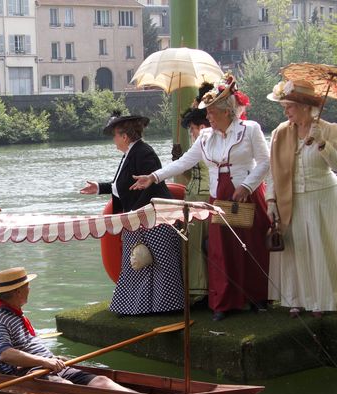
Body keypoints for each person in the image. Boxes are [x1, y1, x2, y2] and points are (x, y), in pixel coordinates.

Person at [131, 74, 271, 321]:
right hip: (219, 198)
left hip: (245, 195)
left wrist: (248, 185)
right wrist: (154, 176)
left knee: (251, 246)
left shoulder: (250, 130)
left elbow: (265, 162)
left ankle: (256, 297)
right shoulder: (206, 137)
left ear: (227, 112)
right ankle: (224, 302)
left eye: (212, 113)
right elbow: (185, 162)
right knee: (221, 249)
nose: (207, 118)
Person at [265, 79, 337, 318]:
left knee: (321, 247)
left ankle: (322, 299)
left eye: (289, 106)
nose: (285, 111)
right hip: (292, 198)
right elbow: (272, 169)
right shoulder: (280, 132)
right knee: (296, 247)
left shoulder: (330, 129)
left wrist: (322, 142)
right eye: (285, 107)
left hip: (322, 197)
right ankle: (296, 299)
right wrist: (270, 200)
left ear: (304, 106)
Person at [79, 112, 184, 315]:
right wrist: (99, 188)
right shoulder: (131, 153)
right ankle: (134, 306)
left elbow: (150, 185)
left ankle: (168, 306)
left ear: (124, 137)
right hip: (138, 218)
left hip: (153, 217)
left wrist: (135, 214)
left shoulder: (144, 152)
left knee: (162, 262)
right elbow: (124, 186)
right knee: (136, 264)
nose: (114, 140)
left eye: (115, 136)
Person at [0, 267, 134, 391]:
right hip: (27, 371)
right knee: (68, 388)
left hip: (47, 365)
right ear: (18, 292)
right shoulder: (0, 318)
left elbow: (28, 346)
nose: (29, 289)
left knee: (101, 381)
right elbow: (5, 354)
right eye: (27, 286)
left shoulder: (15, 314)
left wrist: (51, 358)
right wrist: (45, 361)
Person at [177, 105, 212, 303]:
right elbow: (190, 173)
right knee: (192, 243)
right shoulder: (198, 145)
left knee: (197, 244)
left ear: (202, 126)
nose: (191, 132)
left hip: (202, 198)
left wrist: (180, 160)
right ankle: (197, 288)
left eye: (192, 128)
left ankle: (200, 290)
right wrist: (179, 157)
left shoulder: (206, 143)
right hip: (193, 196)